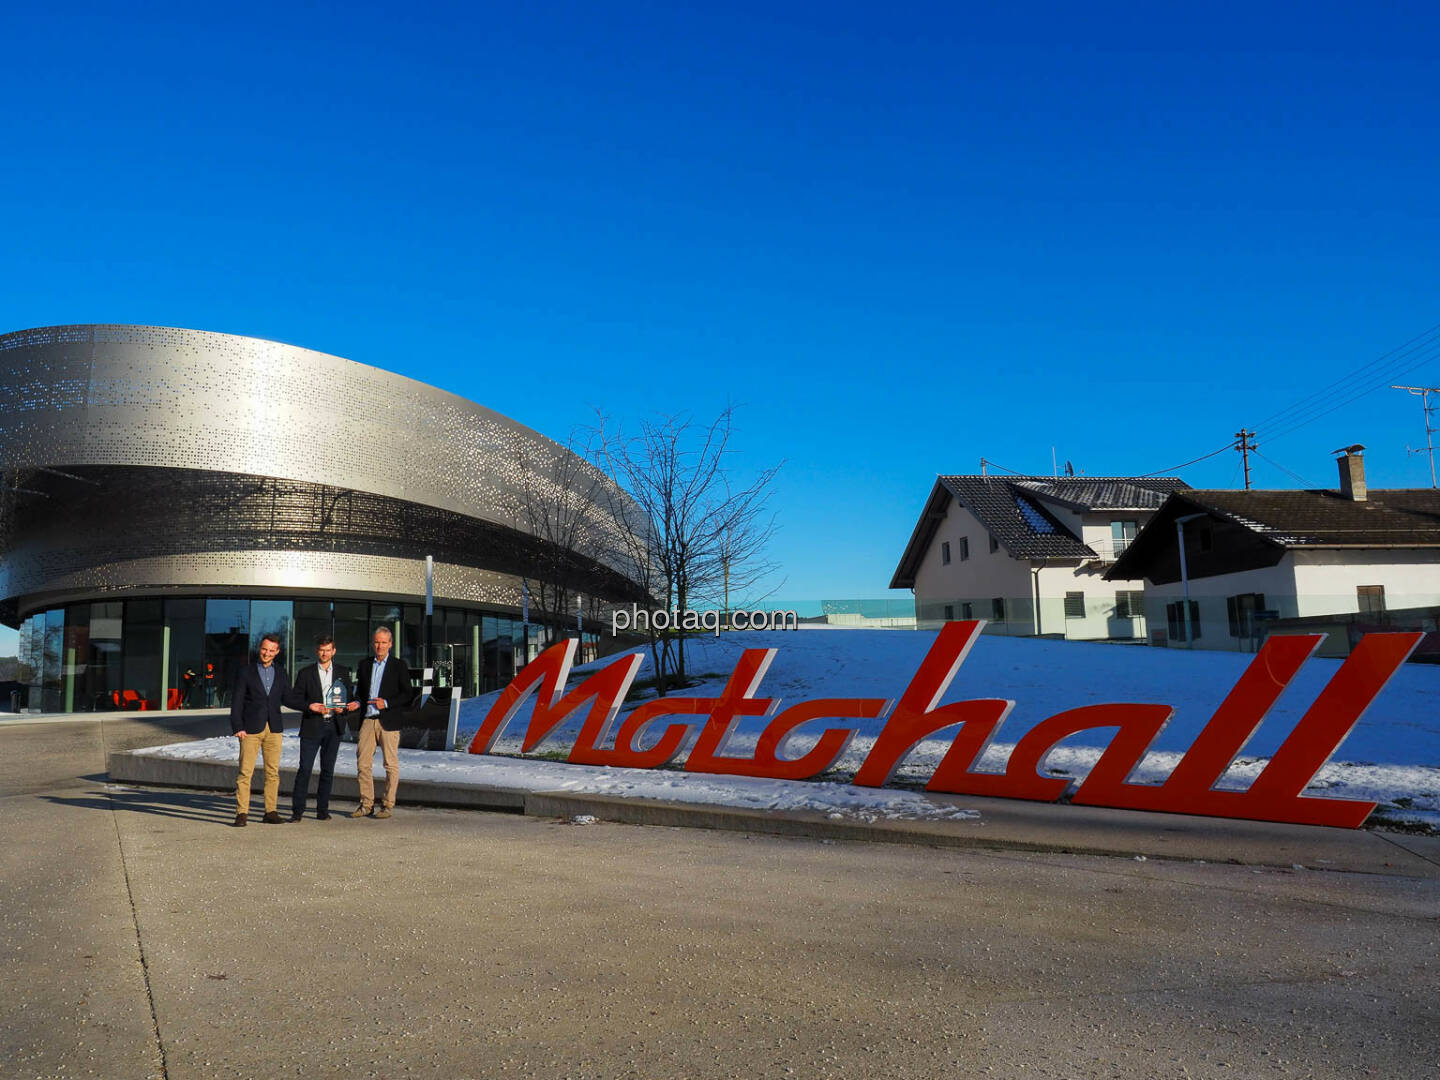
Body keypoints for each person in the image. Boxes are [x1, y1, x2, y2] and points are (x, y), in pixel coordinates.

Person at [286, 636, 359, 821]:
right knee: (305, 769)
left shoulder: (343, 671)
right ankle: (297, 811)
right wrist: (309, 705)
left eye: (328, 650)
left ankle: (322, 810)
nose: (324, 653)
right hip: (312, 726)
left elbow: (349, 695)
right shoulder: (305, 673)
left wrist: (350, 705)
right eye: (321, 650)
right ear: (316, 651)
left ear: (334, 651)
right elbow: (295, 699)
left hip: (334, 726)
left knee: (328, 770)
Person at [229, 633, 296, 826]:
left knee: (273, 772)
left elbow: (288, 698)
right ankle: (242, 813)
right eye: (264, 649)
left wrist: (311, 705)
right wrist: (237, 726)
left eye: (271, 650)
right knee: (245, 772)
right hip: (250, 729)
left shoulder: (281, 673)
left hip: (274, 728)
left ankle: (270, 812)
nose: (267, 653)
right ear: (260, 648)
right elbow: (237, 701)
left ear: (277, 652)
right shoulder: (246, 672)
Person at [351, 626, 416, 819]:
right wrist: (356, 701)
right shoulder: (364, 664)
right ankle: (366, 804)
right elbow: (360, 692)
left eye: (383, 642)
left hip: (389, 720)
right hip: (368, 720)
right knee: (363, 763)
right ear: (373, 643)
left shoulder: (399, 665)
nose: (380, 646)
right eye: (377, 642)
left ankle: (387, 805)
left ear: (390, 644)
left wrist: (386, 703)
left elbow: (407, 694)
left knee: (390, 765)